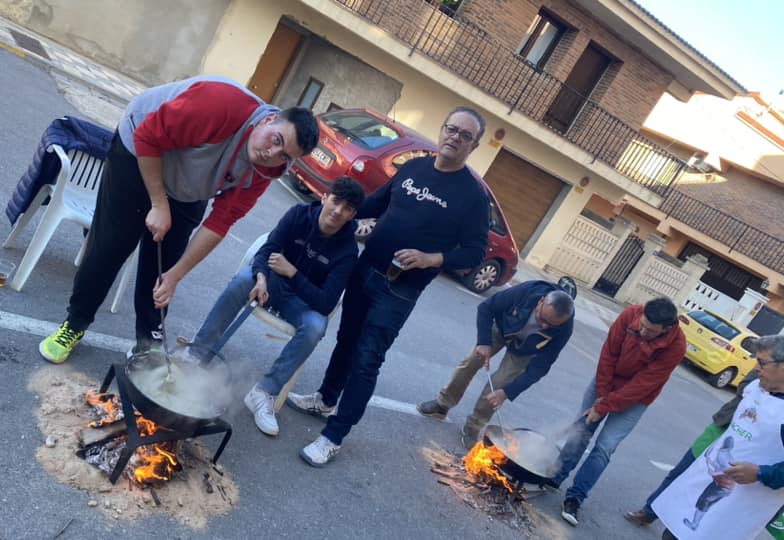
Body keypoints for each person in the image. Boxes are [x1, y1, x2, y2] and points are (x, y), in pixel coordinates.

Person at [37, 75, 318, 363]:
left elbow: (220, 222)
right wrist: (159, 203)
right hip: (139, 152)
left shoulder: (264, 172)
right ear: (267, 121)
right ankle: (75, 324)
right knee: (111, 246)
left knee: (164, 267)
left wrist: (176, 275)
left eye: (283, 155)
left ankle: (148, 343)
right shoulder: (220, 105)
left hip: (189, 183)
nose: (270, 154)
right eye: (275, 140)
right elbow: (148, 135)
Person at [286, 107, 491, 467]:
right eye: (452, 128)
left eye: (465, 135)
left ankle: (334, 436)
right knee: (346, 342)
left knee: (366, 361)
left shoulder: (472, 197)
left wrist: (431, 259)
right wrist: (334, 210)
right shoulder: (413, 168)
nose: (455, 137)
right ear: (442, 130)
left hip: (399, 290)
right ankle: (326, 398)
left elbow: (474, 251)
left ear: (474, 146)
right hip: (365, 270)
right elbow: (372, 205)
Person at [189, 177, 365, 436]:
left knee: (316, 326)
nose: (338, 211)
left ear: (353, 215)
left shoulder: (348, 251)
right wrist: (260, 277)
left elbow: (326, 302)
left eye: (348, 208)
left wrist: (292, 273)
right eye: (336, 201)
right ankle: (197, 354)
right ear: (324, 197)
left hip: (300, 302)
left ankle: (264, 392)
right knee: (241, 281)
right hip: (269, 283)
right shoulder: (298, 215)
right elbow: (267, 250)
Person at [551, 297, 686, 526]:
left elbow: (643, 383)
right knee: (581, 429)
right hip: (606, 381)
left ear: (667, 328)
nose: (643, 331)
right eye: (642, 325)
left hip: (637, 397)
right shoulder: (630, 315)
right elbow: (608, 355)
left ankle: (575, 498)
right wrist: (601, 398)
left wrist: (604, 406)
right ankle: (555, 476)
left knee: (605, 447)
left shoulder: (676, 347)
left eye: (651, 331)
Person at [651, 335, 784, 539]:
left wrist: (760, 473)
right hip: (707, 479)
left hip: (741, 502)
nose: (756, 368)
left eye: (762, 363)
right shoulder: (755, 388)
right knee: (674, 532)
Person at [416, 280, 575, 446]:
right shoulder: (526, 291)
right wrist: (484, 341)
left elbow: (540, 368)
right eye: (542, 318)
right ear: (541, 301)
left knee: (499, 384)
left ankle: (473, 426)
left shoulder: (565, 328)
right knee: (470, 362)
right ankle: (443, 404)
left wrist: (507, 392)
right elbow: (486, 308)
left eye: (550, 325)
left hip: (524, 351)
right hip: (502, 329)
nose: (543, 325)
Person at [623, 368, 759, 527]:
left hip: (746, 445)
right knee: (680, 472)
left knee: (713, 491)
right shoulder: (767, 363)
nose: (761, 366)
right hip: (722, 428)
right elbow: (744, 388)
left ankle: (682, 526)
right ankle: (649, 512)